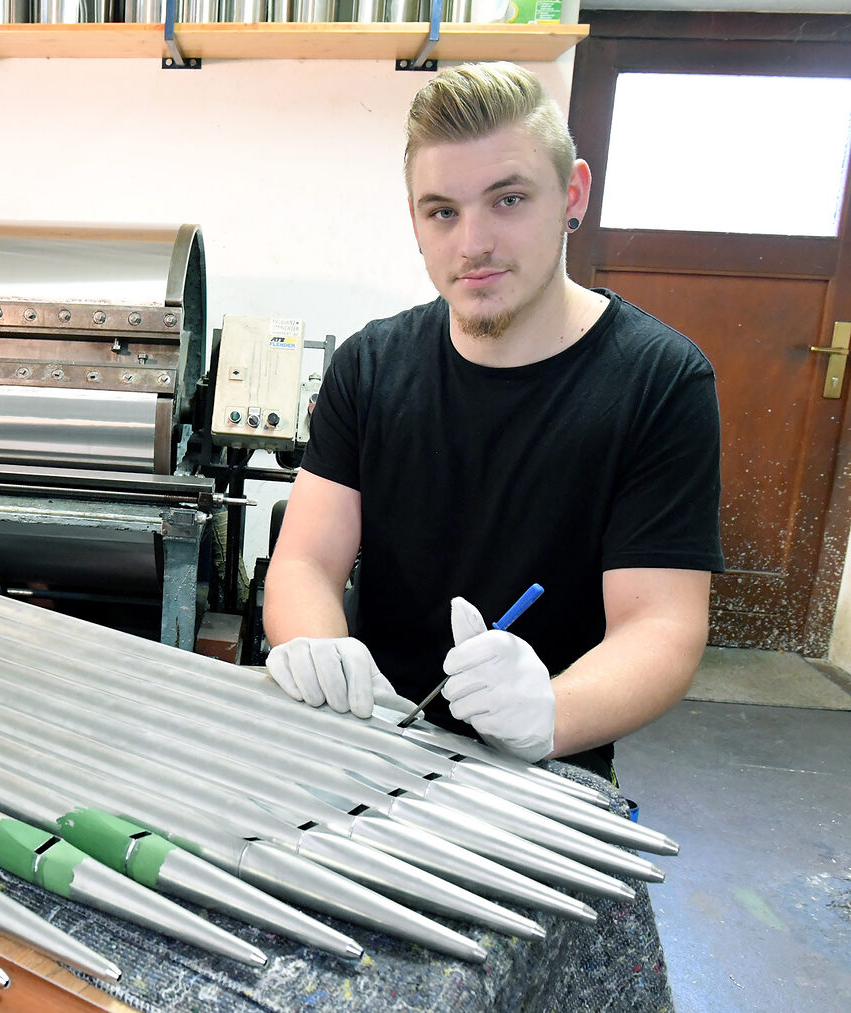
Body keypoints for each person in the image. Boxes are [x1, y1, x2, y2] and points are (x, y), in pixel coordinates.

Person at [263, 62, 724, 777]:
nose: (472, 242)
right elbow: (303, 563)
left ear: (572, 193)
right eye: (442, 211)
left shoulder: (661, 381)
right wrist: (320, 647)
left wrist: (549, 713)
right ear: (415, 219)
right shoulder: (371, 365)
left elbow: (660, 625)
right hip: (373, 744)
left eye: (508, 200)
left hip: (546, 771)